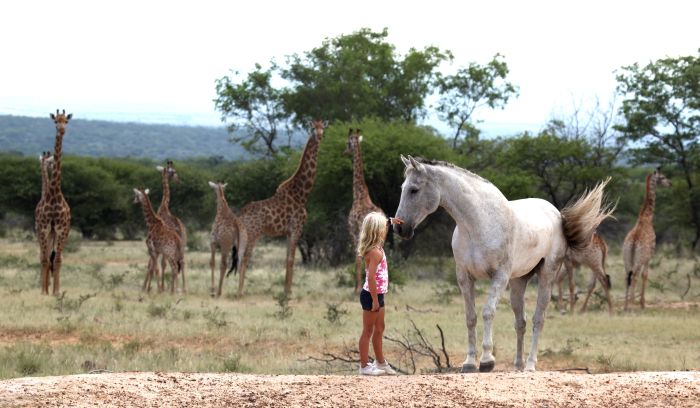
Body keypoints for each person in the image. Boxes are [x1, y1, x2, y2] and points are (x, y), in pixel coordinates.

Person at [357, 212, 401, 376]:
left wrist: (390, 221)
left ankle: (380, 362)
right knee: (367, 331)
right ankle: (364, 366)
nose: (385, 229)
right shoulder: (374, 252)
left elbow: (383, 225)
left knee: (380, 328)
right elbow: (371, 277)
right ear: (376, 231)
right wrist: (375, 300)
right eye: (383, 227)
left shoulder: (377, 247)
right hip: (371, 295)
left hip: (378, 295)